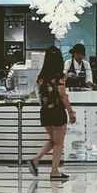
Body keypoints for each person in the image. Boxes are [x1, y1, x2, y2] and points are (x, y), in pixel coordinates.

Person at [26, 44, 76, 180]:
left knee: (53, 140)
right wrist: (71, 112)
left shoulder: (41, 76)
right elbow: (63, 95)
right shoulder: (59, 76)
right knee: (59, 143)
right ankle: (54, 172)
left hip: (45, 112)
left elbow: (36, 94)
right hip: (58, 111)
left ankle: (35, 160)